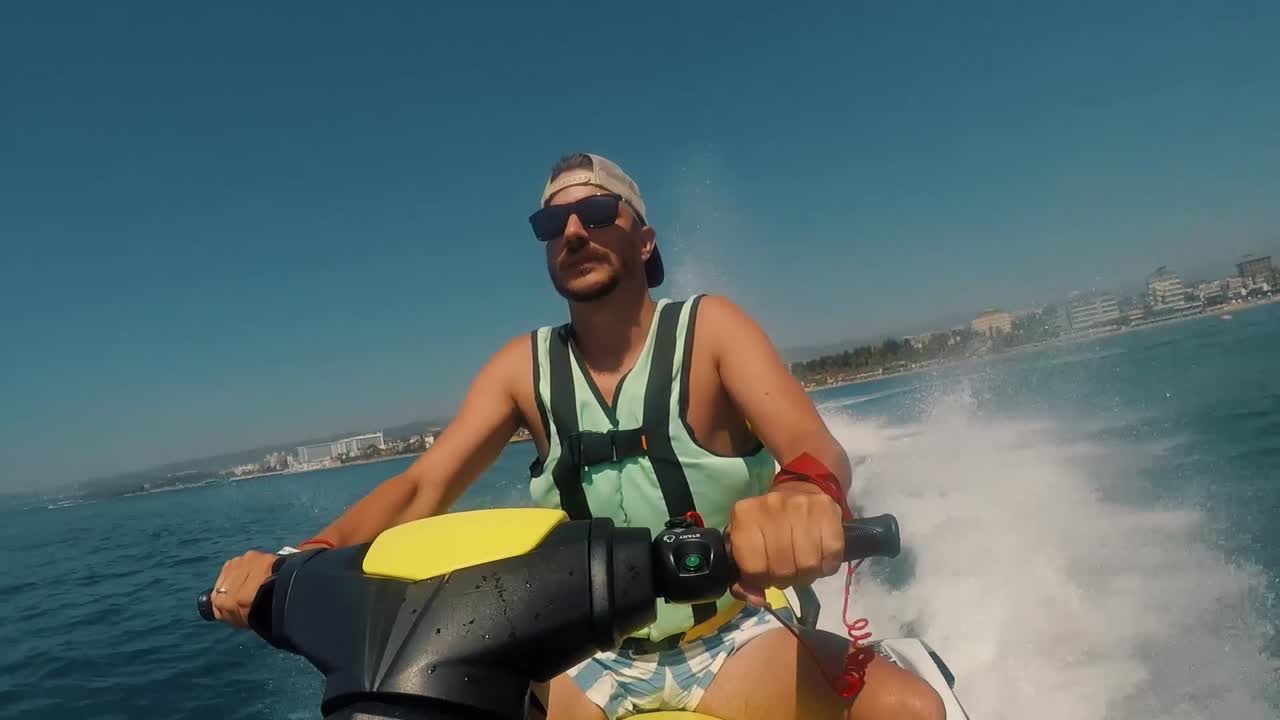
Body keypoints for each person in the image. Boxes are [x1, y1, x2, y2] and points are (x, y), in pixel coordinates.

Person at [209, 153, 944, 720]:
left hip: (729, 634)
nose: (571, 230)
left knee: (912, 710)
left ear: (644, 236)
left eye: (597, 209)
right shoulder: (519, 370)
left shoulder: (711, 331)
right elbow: (422, 485)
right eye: (550, 223)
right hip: (579, 653)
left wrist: (802, 495)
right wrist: (303, 558)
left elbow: (814, 445)